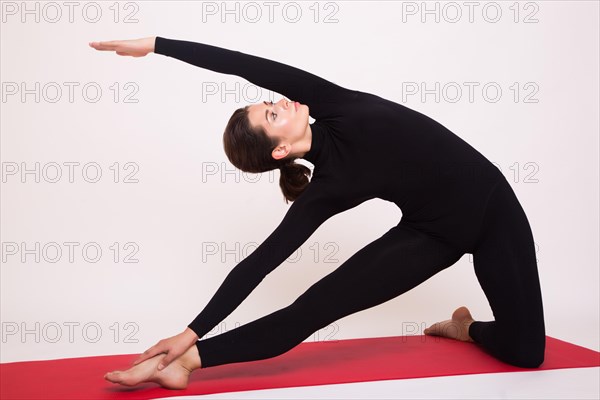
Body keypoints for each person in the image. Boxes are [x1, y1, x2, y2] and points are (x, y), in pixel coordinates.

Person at [89, 36, 546, 389]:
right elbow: (260, 263)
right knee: (309, 311)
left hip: (493, 210)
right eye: (271, 115)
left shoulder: (334, 104)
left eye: (269, 103)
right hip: (431, 236)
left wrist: (156, 46)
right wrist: (190, 335)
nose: (279, 103)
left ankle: (465, 328)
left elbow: (245, 65)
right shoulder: (327, 190)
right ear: (281, 150)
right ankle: (186, 364)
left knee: (527, 353)